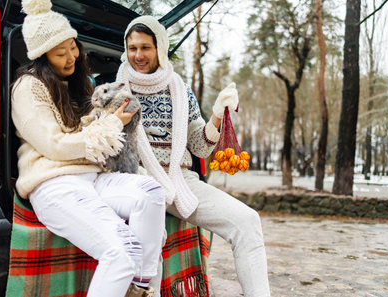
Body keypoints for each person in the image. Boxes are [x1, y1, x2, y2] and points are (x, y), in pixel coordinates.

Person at [11, 1, 164, 296]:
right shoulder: (27, 88)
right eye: (60, 53)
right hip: (54, 184)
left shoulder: (77, 85)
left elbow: (89, 131)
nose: (71, 57)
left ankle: (140, 289)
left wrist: (111, 118)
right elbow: (54, 146)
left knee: (151, 193)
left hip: (93, 177)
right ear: (42, 56)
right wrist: (111, 125)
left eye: (73, 47)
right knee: (123, 250)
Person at [116, 16, 271, 297]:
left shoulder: (179, 89)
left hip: (180, 179)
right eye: (132, 48)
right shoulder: (113, 90)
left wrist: (216, 114)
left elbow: (200, 147)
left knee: (248, 221)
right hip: (136, 181)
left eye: (145, 48)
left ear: (160, 49)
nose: (138, 55)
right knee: (150, 239)